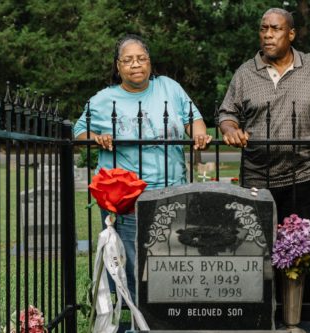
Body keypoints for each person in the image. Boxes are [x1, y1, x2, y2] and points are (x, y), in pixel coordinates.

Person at [218, 7, 310, 328]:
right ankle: (260, 318)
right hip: (257, 178)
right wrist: (230, 128)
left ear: (291, 34)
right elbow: (226, 112)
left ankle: (305, 319)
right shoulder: (246, 73)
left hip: (303, 176)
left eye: (275, 29)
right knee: (257, 251)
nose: (268, 35)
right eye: (263, 29)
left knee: (302, 253)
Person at [74, 34, 211, 301]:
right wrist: (96, 138)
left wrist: (198, 134)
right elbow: (79, 132)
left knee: (172, 258)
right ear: (118, 66)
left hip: (172, 189)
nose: (135, 64)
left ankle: (168, 319)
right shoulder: (104, 99)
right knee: (134, 266)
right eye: (128, 60)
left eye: (141, 58)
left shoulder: (169, 88)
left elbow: (194, 119)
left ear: (149, 62)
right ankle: (142, 322)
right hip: (126, 196)